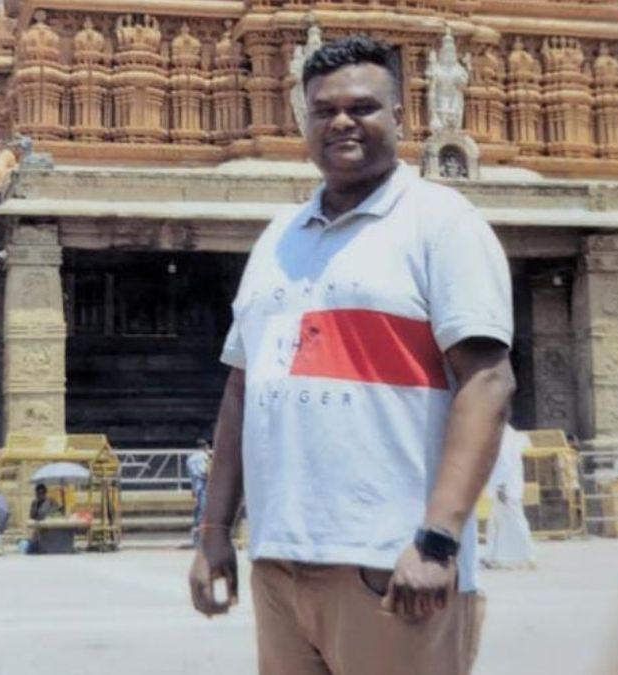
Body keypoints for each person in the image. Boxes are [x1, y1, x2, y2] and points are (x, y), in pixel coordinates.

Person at [187, 35, 515, 675]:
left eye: (362, 107)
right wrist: (214, 532)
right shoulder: (277, 238)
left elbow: (488, 383)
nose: (341, 122)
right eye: (324, 110)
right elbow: (241, 393)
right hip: (279, 562)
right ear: (302, 121)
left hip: (393, 564)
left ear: (401, 117)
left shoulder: (442, 222)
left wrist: (437, 540)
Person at [481, 425, 535, 569]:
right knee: (497, 521)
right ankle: (494, 555)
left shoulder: (503, 435)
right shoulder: (509, 434)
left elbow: (504, 462)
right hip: (506, 484)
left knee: (512, 519)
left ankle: (523, 555)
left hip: (505, 485)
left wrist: (501, 485)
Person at [187, 438, 212, 546]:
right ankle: (201, 540)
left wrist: (193, 488)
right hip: (204, 488)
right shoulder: (204, 457)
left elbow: (192, 476)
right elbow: (205, 473)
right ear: (206, 447)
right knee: (203, 513)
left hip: (197, 488)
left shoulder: (190, 458)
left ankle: (196, 539)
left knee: (198, 513)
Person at [25, 483, 62, 554]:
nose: (39, 495)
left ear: (45, 493)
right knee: (30, 550)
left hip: (50, 531)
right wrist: (35, 507)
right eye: (37, 493)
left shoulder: (51, 502)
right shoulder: (34, 503)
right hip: (37, 531)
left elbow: (56, 513)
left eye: (41, 493)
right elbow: (32, 516)